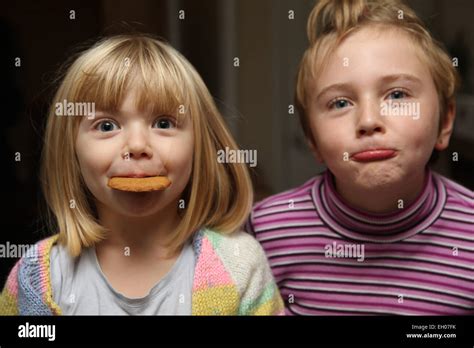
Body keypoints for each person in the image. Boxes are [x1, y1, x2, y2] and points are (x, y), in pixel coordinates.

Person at [0, 34, 284, 315]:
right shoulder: (35, 277)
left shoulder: (240, 264)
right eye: (106, 126)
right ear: (71, 153)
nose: (137, 146)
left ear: (200, 148)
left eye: (163, 122)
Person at [247, 0, 473, 315]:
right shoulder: (263, 232)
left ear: (445, 122)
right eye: (340, 103)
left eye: (397, 95)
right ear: (312, 139)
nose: (368, 121)